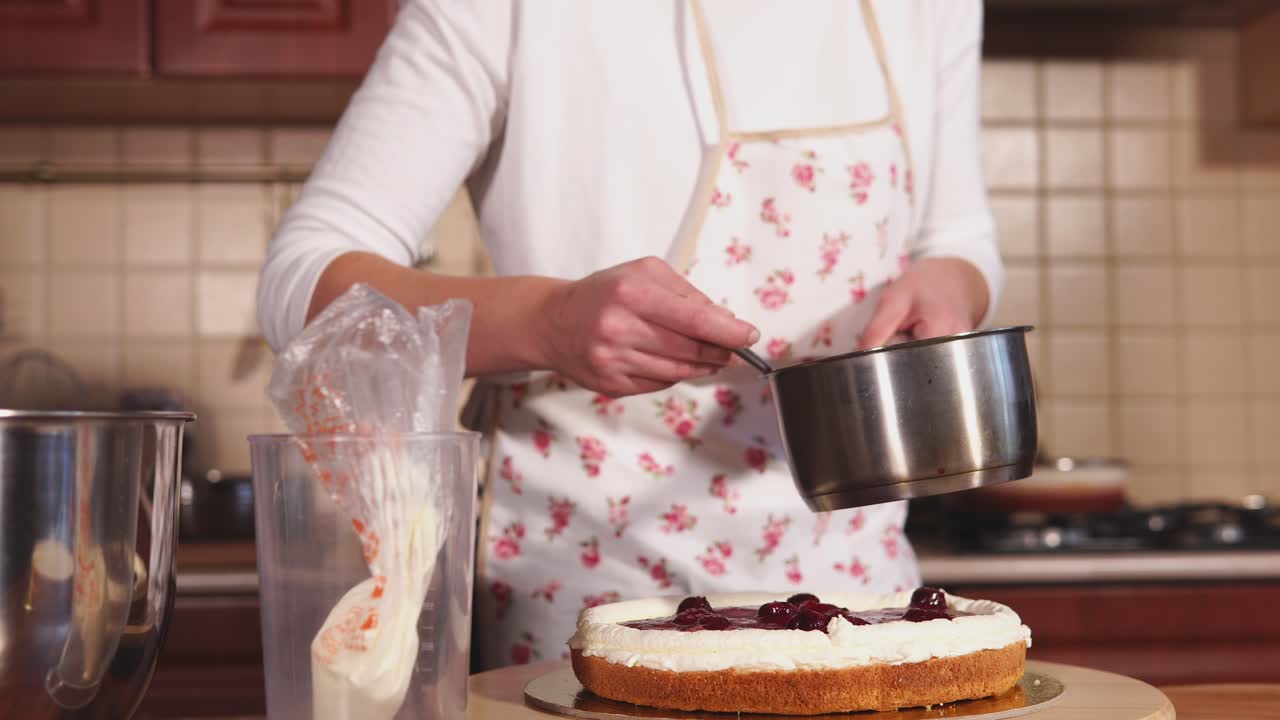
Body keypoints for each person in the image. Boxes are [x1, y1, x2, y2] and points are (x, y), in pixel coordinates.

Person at [258, 0, 1002, 670]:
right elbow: (301, 282)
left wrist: (952, 281)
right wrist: (547, 324)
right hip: (581, 595)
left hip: (858, 592)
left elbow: (958, 234)